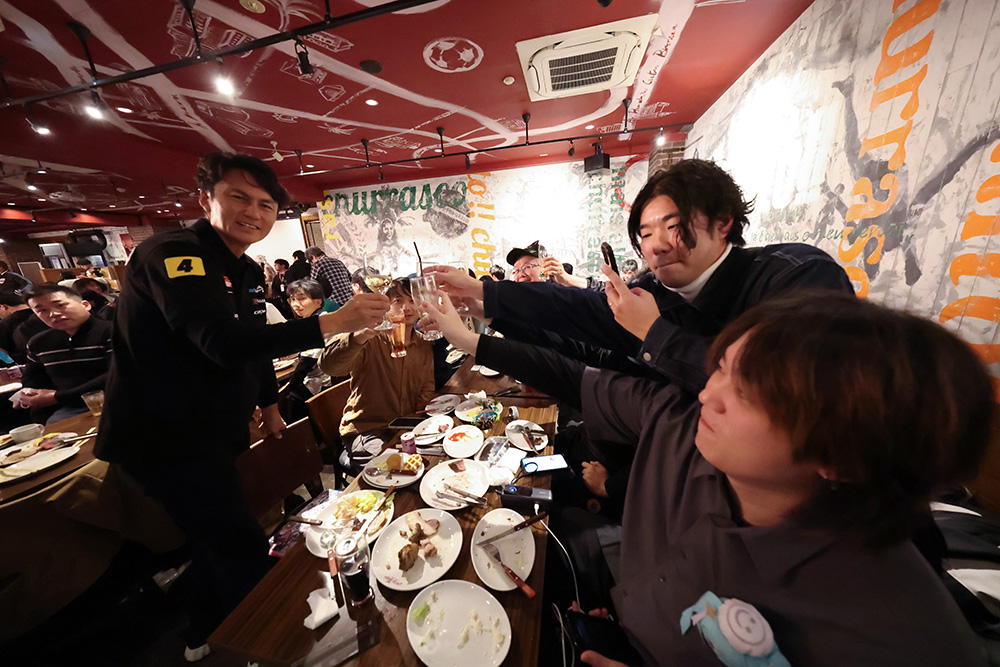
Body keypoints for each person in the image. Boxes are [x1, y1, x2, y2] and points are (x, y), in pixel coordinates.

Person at [423, 289, 992, 666]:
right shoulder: (682, 426)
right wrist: (470, 341)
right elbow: (574, 376)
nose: (709, 394)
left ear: (843, 457)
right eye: (718, 367)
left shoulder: (896, 636)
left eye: (747, 392)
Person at [93, 152, 388, 661]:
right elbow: (220, 342)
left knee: (215, 538)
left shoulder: (246, 268)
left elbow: (253, 346)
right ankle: (274, 648)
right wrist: (331, 323)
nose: (254, 212)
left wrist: (270, 404)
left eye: (266, 204)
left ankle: (201, 629)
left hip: (211, 431)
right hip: (163, 437)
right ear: (205, 199)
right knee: (240, 544)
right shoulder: (174, 254)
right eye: (239, 197)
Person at [319, 278, 435, 471]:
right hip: (368, 431)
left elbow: (427, 385)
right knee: (395, 472)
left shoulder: (423, 343)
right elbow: (329, 366)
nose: (406, 307)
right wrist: (361, 335)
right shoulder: (370, 338)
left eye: (412, 300)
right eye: (398, 301)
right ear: (385, 304)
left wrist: (422, 411)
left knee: (433, 461)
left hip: (406, 426)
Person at [19, 284, 112, 423]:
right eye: (42, 310)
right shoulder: (39, 342)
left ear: (85, 305)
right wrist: (29, 393)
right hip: (68, 408)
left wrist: (57, 397)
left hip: (115, 400)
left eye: (60, 305)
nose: (53, 314)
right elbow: (32, 377)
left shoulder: (112, 331)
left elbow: (116, 375)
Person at [278, 278, 334, 422]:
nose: (296, 305)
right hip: (326, 379)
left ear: (318, 301)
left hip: (322, 384)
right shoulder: (321, 318)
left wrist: (288, 389)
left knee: (284, 399)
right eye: (292, 299)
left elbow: (306, 364)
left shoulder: (317, 324)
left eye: (302, 299)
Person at [0, 293, 34, 364]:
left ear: (2, 306)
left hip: (27, 365)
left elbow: (4, 354)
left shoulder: (5, 324)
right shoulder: (43, 314)